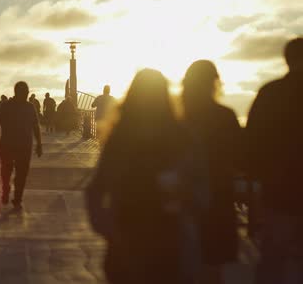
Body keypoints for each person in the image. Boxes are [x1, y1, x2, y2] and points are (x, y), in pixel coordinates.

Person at [86, 69, 194, 284]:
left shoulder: (120, 138)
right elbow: (198, 189)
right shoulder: (181, 137)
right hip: (168, 239)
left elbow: (95, 190)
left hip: (126, 237)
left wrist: (108, 230)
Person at [246, 38, 303, 284]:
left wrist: (261, 178)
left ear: (287, 60)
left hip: (280, 193)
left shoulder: (269, 93)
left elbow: (251, 142)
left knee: (273, 261)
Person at [182, 60, 242, 284]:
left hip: (183, 199)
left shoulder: (177, 117)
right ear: (214, 82)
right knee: (213, 267)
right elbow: (241, 157)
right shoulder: (225, 116)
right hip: (218, 197)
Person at [0, 81, 42, 211]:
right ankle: (11, 193)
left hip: (13, 144)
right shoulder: (27, 107)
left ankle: (14, 196)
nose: (26, 95)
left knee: (15, 172)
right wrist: (39, 144)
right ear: (19, 92)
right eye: (25, 92)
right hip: (20, 145)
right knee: (16, 172)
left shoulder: (7, 106)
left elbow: (35, 126)